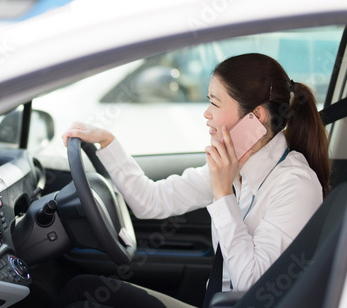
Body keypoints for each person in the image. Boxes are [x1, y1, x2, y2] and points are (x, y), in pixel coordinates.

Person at [55, 53, 329, 308]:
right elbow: (149, 201)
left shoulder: (295, 185)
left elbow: (253, 285)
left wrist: (223, 195)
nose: (206, 113)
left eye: (214, 102)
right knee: (81, 290)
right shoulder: (231, 166)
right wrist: (107, 142)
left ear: (255, 117)